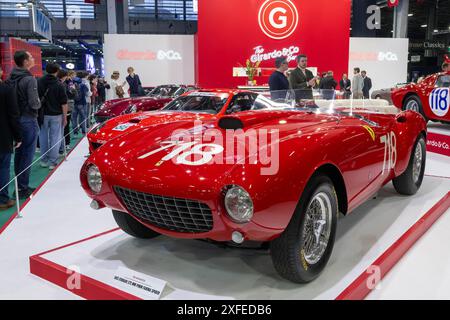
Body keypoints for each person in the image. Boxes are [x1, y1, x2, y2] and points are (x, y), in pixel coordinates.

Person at [8, 51, 41, 199]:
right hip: (28, 119)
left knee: (19, 154)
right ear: (26, 61)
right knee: (27, 154)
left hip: (16, 119)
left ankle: (19, 186)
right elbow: (34, 103)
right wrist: (39, 104)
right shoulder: (29, 79)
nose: (33, 59)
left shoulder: (11, 77)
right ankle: (23, 187)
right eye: (31, 57)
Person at [37, 63, 68, 170]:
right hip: (56, 114)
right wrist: (65, 117)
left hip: (42, 114)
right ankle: (52, 161)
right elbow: (64, 103)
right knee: (55, 137)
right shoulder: (59, 84)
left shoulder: (39, 81)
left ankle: (44, 160)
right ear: (57, 71)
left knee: (43, 136)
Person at [0, 77, 22, 210]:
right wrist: (18, 136)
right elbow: (13, 115)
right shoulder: (6, 89)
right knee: (3, 167)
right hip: (3, 136)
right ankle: (2, 199)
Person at [58, 69, 75, 153]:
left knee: (63, 127)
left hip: (59, 108)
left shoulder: (66, 83)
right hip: (65, 107)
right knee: (65, 126)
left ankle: (63, 145)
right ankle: (65, 145)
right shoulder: (65, 84)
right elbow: (72, 94)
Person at [72, 71, 91, 136]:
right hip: (82, 102)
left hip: (74, 103)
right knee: (83, 117)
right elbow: (87, 93)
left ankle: (75, 132)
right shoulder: (83, 84)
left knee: (74, 118)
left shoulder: (72, 83)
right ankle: (83, 131)